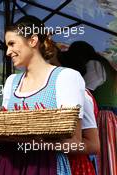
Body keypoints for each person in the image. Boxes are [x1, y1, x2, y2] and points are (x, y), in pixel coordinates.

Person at [0, 15, 85, 175]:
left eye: (12, 44)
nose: (8, 52)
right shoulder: (11, 82)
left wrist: (35, 143)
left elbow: (75, 143)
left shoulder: (65, 77)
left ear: (32, 41)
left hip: (46, 165)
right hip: (7, 163)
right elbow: (6, 129)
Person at [60, 41, 117, 175]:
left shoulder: (95, 64)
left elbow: (85, 90)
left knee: (103, 154)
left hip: (104, 116)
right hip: (109, 115)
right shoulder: (104, 64)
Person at [51, 47, 100, 175]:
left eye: (53, 66)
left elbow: (93, 145)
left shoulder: (81, 95)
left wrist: (44, 144)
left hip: (73, 167)